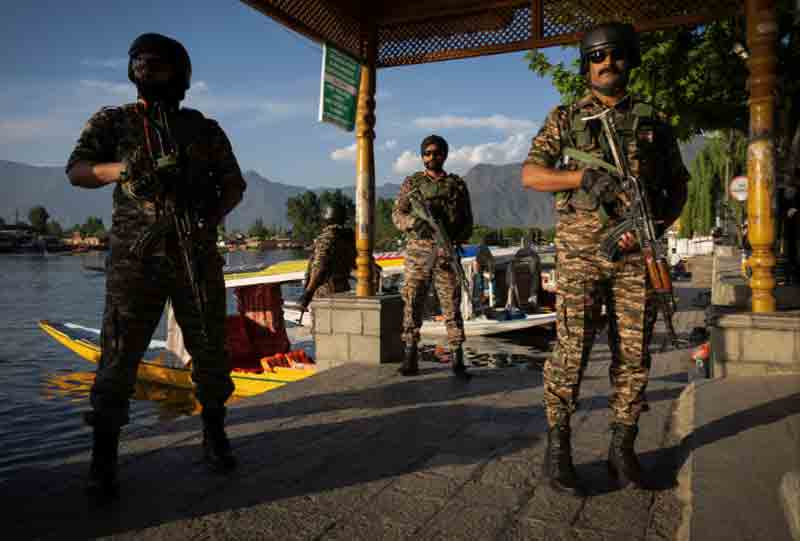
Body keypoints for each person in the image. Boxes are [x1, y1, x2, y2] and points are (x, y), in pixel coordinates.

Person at [66, 33, 246, 501]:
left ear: (179, 72)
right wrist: (120, 170)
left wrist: (208, 218)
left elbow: (233, 184)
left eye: (156, 63)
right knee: (119, 356)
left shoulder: (204, 129)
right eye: (139, 62)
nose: (145, 69)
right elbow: (78, 170)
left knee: (210, 351)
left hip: (195, 254)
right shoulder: (114, 121)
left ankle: (214, 435)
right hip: (135, 261)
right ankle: (103, 460)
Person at [521, 22, 689, 493]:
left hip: (637, 257)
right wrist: (580, 180)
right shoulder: (565, 117)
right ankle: (559, 451)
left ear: (630, 59)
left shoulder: (655, 121)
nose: (607, 63)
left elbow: (679, 186)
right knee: (571, 350)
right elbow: (531, 174)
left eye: (615, 55)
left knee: (633, 355)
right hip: (580, 256)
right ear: (586, 64)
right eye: (597, 56)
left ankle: (623, 448)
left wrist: (654, 227)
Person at [392, 135, 474, 378]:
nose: (431, 157)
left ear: (445, 155)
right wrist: (415, 223)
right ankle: (410, 355)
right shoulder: (413, 183)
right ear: (422, 156)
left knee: (451, 305)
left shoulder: (456, 185)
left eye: (436, 153)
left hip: (446, 251)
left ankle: (458, 357)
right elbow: (397, 214)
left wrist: (452, 238)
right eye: (427, 153)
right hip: (418, 251)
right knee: (412, 301)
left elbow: (468, 220)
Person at [298, 201, 357, 309]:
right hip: (343, 288)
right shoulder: (349, 239)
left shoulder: (327, 238)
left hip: (326, 293)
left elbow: (319, 267)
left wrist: (308, 294)